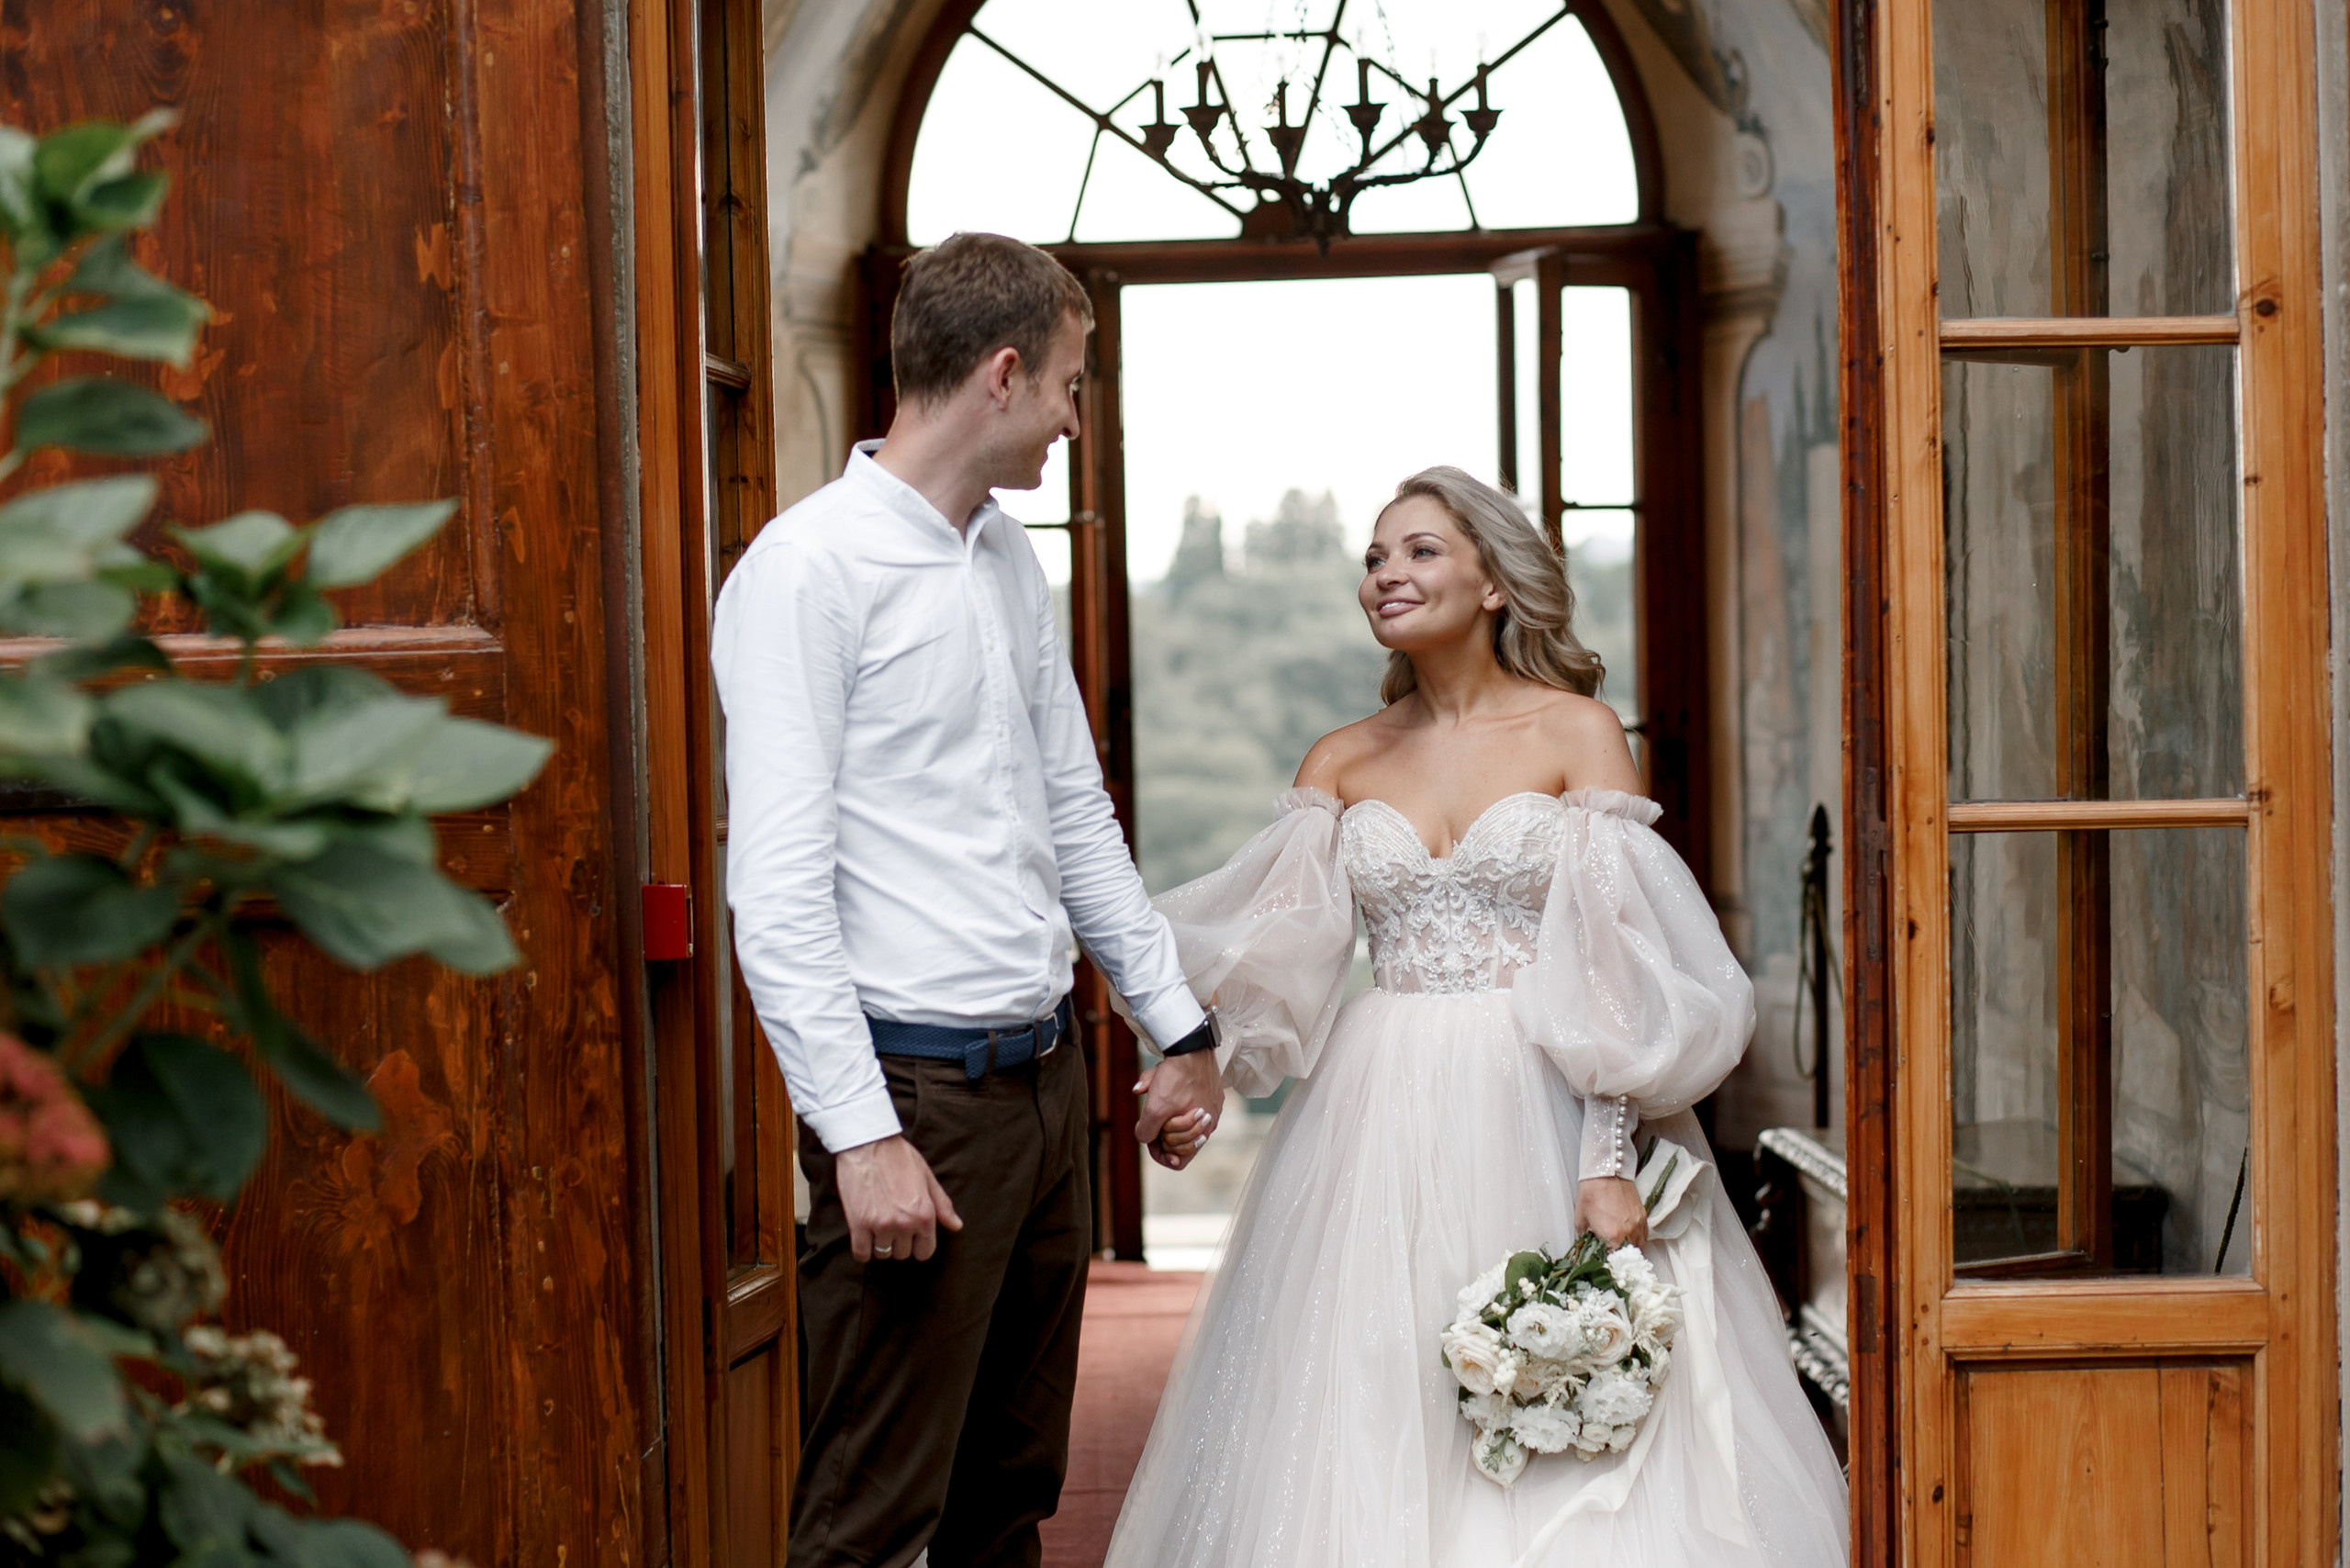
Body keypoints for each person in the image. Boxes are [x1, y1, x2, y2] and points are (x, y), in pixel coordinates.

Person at [1102, 467, 1850, 1566]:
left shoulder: (1577, 730)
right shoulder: (1342, 757)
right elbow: (1279, 953)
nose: (1386, 575)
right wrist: (1202, 1063)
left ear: (1495, 581)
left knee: (1570, 1388)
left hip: (1547, 1093)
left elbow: (1617, 963)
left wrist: (1605, 1156)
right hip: (1376, 1106)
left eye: (1418, 551)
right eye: (1372, 557)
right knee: (1370, 1380)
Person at [712, 231, 1224, 1568]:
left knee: (1011, 1497)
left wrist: (1177, 1025)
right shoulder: (804, 571)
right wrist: (861, 1134)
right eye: (1069, 383)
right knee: (876, 1523)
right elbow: (772, 891)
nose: (1072, 416)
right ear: (1002, 374)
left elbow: (1074, 813)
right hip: (917, 1108)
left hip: (1047, 1090)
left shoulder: (1007, 558)